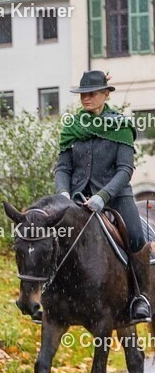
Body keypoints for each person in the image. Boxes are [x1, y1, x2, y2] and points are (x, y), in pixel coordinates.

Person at [56, 69, 149, 323]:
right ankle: (50, 294)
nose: (86, 98)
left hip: (116, 196)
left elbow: (125, 170)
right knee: (51, 234)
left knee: (137, 236)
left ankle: (139, 298)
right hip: (75, 198)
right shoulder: (71, 128)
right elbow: (63, 167)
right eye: (82, 94)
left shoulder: (121, 125)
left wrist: (102, 196)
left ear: (106, 94)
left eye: (92, 93)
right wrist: (62, 193)